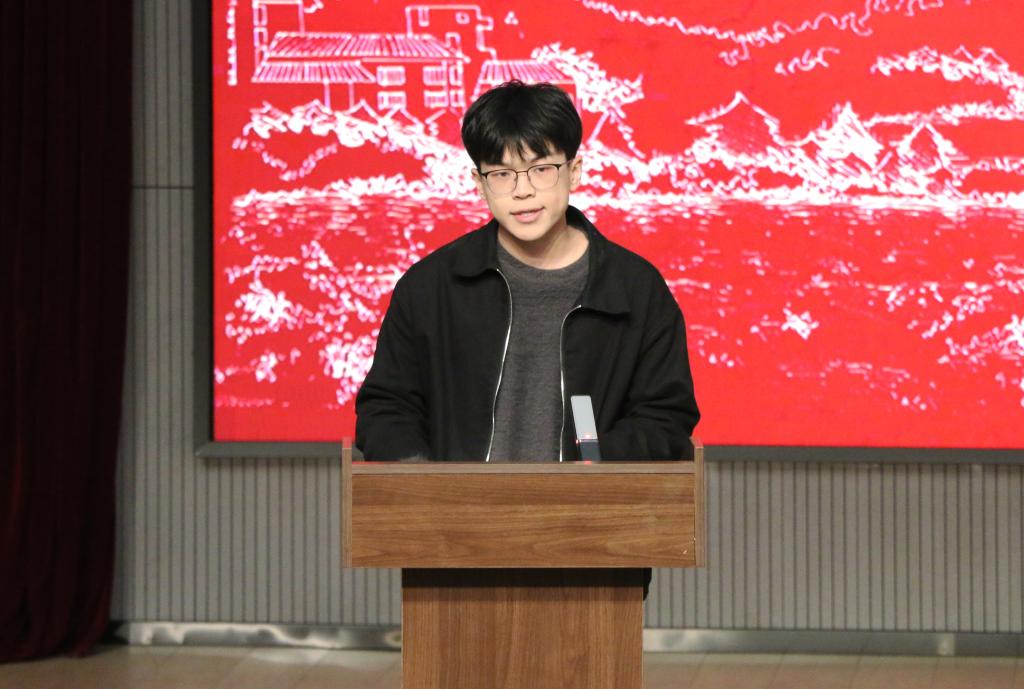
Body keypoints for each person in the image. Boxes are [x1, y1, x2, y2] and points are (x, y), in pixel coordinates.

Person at [355, 80, 699, 462]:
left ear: (575, 171)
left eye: (541, 169)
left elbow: (666, 416)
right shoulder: (430, 287)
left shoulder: (636, 290)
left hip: (589, 500)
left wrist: (594, 462)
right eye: (502, 174)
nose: (523, 191)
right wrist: (427, 479)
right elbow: (386, 408)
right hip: (456, 501)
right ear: (479, 184)